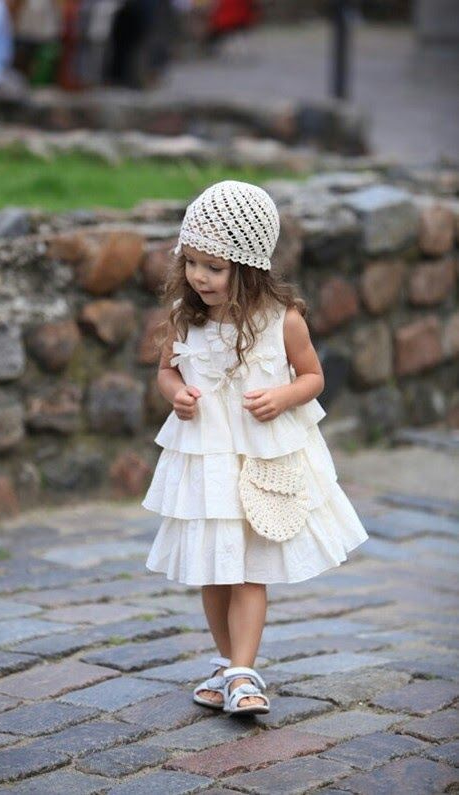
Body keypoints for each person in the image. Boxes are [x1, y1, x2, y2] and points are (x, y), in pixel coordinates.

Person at [141, 180, 369, 715]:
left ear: (247, 267)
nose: (199, 276)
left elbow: (313, 376)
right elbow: (164, 374)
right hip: (207, 458)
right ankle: (224, 664)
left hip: (259, 457)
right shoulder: (183, 316)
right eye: (191, 262)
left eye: (214, 267)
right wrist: (178, 396)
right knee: (213, 567)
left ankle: (244, 671)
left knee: (247, 568)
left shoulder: (281, 320)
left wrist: (284, 394)